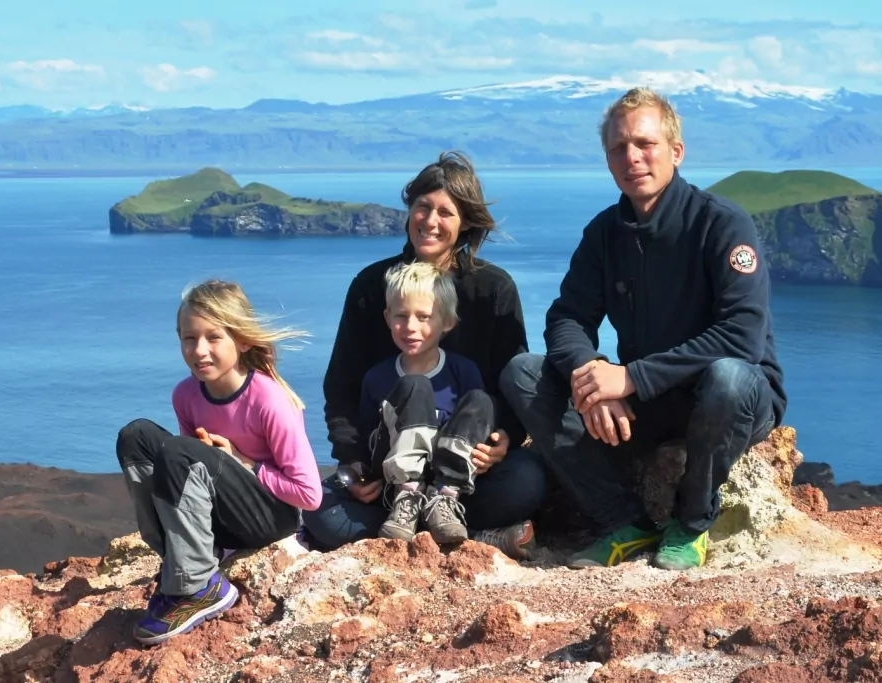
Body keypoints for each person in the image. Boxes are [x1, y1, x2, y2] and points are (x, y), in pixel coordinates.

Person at [500, 87, 786, 571]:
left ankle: (692, 521)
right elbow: (567, 318)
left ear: (676, 151)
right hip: (649, 403)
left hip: (728, 399)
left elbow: (742, 336)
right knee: (522, 372)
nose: (631, 157)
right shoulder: (605, 233)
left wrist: (632, 378)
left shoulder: (721, 224)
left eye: (644, 144)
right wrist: (590, 375)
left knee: (729, 377)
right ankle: (626, 523)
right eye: (618, 147)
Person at [304, 151, 545, 560]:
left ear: (465, 221)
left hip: (466, 468)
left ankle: (427, 523)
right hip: (390, 472)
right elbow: (342, 383)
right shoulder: (371, 286)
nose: (430, 221)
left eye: (446, 213)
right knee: (318, 510)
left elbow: (509, 380)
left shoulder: (492, 290)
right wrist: (352, 460)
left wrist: (503, 436)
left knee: (526, 480)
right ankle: (478, 537)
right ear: (409, 210)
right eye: (422, 207)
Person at [115, 280, 323, 646]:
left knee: (179, 451)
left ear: (242, 340)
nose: (200, 351)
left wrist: (245, 465)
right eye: (189, 339)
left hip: (272, 520)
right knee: (136, 437)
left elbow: (308, 494)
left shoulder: (268, 400)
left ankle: (199, 588)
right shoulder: (186, 394)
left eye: (214, 337)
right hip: (219, 520)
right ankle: (181, 562)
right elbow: (180, 473)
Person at [363, 261, 497, 544]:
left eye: (424, 317)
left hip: (448, 480)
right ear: (387, 317)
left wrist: (489, 449)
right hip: (392, 482)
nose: (410, 327)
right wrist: (353, 470)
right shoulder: (377, 377)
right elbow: (367, 437)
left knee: (482, 402)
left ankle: (443, 499)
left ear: (447, 321)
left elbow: (477, 421)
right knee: (415, 385)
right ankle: (407, 497)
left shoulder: (463, 372)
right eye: (401, 315)